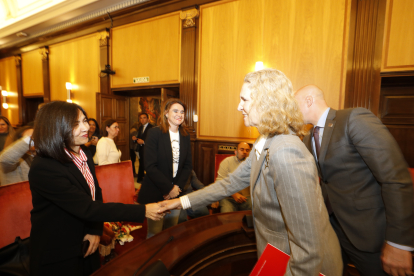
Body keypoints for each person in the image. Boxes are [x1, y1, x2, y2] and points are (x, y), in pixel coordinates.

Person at [159, 69, 342, 275]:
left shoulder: (287, 152)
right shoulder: (264, 140)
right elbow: (229, 183)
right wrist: (179, 202)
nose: (239, 106)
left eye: (244, 99)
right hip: (277, 256)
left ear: (265, 102)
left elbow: (309, 249)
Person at [28, 101, 164, 276]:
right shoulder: (45, 166)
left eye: (85, 121)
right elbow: (87, 207)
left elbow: (95, 193)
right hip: (59, 250)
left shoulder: (83, 154)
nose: (86, 128)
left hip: (86, 242)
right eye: (76, 124)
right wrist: (143, 210)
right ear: (56, 127)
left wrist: (94, 230)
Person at [294, 85, 414, 276]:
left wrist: (398, 242)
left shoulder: (353, 119)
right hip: (334, 230)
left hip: (369, 233)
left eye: (293, 105)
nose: (290, 111)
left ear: (308, 101)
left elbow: (395, 178)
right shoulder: (308, 138)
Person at [138, 98, 192, 239]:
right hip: (156, 192)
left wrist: (176, 188)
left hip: (175, 193)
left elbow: (187, 166)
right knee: (154, 234)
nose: (179, 114)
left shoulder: (185, 136)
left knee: (171, 231)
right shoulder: (155, 133)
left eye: (182, 112)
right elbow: (150, 166)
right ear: (166, 113)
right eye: (175, 111)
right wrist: (169, 188)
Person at [217, 142, 252, 213]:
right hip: (228, 198)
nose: (244, 152)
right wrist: (234, 194)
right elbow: (219, 182)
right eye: (242, 149)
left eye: (247, 150)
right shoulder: (227, 162)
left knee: (256, 217)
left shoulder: (253, 164)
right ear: (236, 151)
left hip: (246, 198)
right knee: (227, 217)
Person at [134, 113, 154, 183]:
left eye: (144, 118)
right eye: (141, 118)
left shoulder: (152, 128)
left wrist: (144, 142)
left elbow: (153, 140)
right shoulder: (140, 127)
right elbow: (140, 138)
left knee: (148, 165)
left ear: (148, 119)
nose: (142, 119)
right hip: (141, 150)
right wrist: (135, 139)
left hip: (149, 150)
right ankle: (141, 179)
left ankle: (149, 180)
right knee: (141, 164)